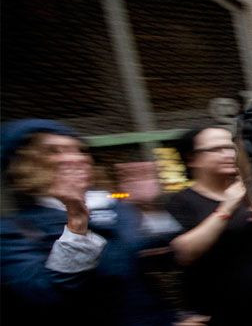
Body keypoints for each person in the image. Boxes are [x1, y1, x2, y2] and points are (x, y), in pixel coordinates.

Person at [0, 119, 173, 325]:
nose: (76, 158)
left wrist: (149, 207)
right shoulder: (14, 230)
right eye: (55, 151)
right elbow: (46, 294)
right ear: (23, 166)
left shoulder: (113, 207)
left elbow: (158, 260)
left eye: (79, 150)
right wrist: (76, 225)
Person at [166, 126, 252, 326]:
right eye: (216, 149)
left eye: (231, 147)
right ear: (192, 158)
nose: (228, 154)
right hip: (224, 312)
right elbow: (185, 251)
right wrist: (228, 205)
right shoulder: (180, 201)